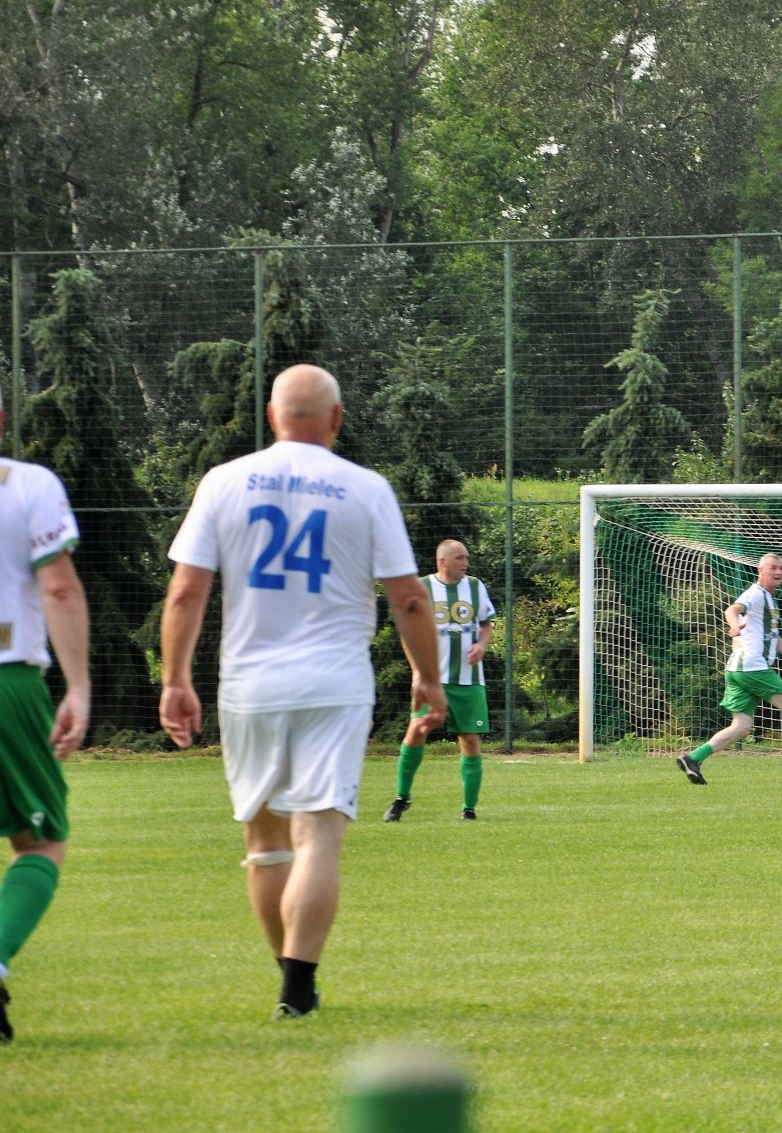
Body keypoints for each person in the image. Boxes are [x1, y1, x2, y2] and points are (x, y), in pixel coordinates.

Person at [159, 364, 443, 1020]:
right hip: (334, 682)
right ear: (337, 419)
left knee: (265, 843)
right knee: (319, 834)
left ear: (270, 416)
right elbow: (407, 597)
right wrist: (427, 678)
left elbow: (186, 591)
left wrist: (175, 678)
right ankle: (298, 982)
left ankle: (291, 982)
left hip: (248, 683)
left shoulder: (223, 482)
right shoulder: (365, 488)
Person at [0, 438, 89, 1044]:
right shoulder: (27, 484)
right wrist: (78, 685)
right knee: (41, 839)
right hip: (8, 680)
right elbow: (57, 588)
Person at [676, 553, 782, 784]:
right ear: (760, 570)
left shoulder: (768, 599)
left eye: (780, 568)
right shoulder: (756, 594)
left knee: (741, 727)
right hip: (752, 667)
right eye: (772, 568)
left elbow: (772, 636)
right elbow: (732, 609)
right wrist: (735, 625)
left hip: (737, 670)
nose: (778, 572)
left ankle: (693, 758)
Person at [386, 539, 496, 822]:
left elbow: (486, 625)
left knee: (470, 739)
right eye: (460, 558)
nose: (465, 563)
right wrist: (418, 672)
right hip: (431, 678)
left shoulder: (475, 587)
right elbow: (407, 632)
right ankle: (401, 798)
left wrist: (482, 645)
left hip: (468, 679)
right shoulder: (422, 588)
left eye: (466, 558)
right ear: (442, 561)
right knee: (417, 732)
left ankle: (469, 809)